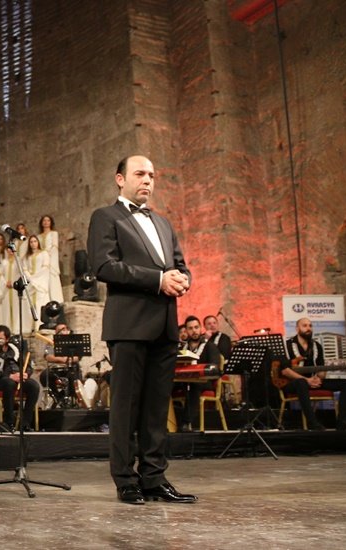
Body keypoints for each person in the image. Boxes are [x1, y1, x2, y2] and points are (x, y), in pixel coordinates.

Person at [87, 155, 195, 505]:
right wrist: (158, 280)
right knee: (126, 407)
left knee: (155, 409)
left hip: (164, 324)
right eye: (139, 173)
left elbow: (179, 264)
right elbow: (104, 266)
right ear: (120, 179)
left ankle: (154, 477)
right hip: (130, 324)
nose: (147, 179)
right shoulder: (106, 217)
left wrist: (183, 279)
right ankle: (125, 480)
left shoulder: (163, 223)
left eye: (151, 174)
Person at [282, 317, 346, 431]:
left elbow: (321, 371)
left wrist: (318, 377)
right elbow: (284, 370)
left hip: (312, 380)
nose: (308, 328)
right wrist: (306, 380)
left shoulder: (317, 346)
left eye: (310, 325)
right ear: (297, 328)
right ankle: (312, 423)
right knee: (302, 382)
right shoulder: (287, 345)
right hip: (293, 383)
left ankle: (343, 422)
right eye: (305, 325)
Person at [172, 315, 221, 432]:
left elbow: (215, 367)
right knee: (164, 385)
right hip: (183, 380)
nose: (194, 331)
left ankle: (185, 423)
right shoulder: (182, 347)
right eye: (190, 328)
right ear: (186, 331)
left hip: (204, 381)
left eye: (196, 327)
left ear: (200, 328)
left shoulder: (210, 346)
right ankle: (165, 422)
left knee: (193, 386)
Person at [0, 325, 40, 431]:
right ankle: (9, 422)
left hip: (19, 377)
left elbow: (28, 366)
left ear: (7, 339)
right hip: (2, 379)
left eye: (0, 338)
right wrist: (9, 376)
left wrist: (26, 373)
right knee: (9, 383)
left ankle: (25, 423)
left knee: (34, 386)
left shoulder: (15, 349)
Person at [38, 215, 64, 303]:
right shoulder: (38, 236)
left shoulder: (54, 233)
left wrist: (47, 256)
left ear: (51, 222)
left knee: (52, 280)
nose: (46, 222)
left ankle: (56, 300)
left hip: (50, 259)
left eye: (48, 220)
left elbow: (54, 247)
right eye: (44, 220)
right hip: (41, 260)